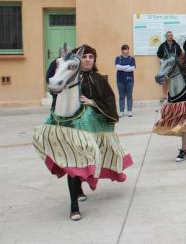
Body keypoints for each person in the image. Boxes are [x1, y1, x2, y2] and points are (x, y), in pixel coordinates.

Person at [33, 44, 133, 221]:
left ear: (94, 60)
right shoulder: (70, 73)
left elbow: (109, 102)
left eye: (91, 57)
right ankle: (74, 204)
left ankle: (78, 188)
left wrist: (92, 102)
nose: (88, 59)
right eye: (85, 56)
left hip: (91, 121)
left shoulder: (99, 79)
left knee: (81, 157)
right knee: (72, 159)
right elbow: (53, 79)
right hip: (66, 122)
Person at [156, 31, 183, 101]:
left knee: (175, 79)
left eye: (171, 35)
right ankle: (165, 95)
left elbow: (180, 54)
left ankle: (175, 94)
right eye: (169, 35)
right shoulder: (162, 45)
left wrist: (178, 60)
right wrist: (162, 61)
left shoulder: (176, 45)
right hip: (166, 67)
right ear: (166, 36)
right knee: (164, 80)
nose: (170, 37)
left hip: (175, 67)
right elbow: (159, 54)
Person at [46, 44, 70, 110]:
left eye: (68, 52)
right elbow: (48, 76)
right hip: (57, 89)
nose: (65, 54)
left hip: (68, 90)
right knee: (56, 107)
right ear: (60, 53)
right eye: (63, 52)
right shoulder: (54, 63)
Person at [115, 44, 136, 117]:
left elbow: (132, 68)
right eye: (125, 49)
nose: (127, 51)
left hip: (130, 80)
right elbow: (118, 67)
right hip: (120, 80)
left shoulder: (132, 59)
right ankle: (121, 111)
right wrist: (127, 66)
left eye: (128, 49)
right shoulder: (118, 58)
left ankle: (129, 110)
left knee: (129, 95)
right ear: (122, 50)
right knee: (121, 96)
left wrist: (123, 68)